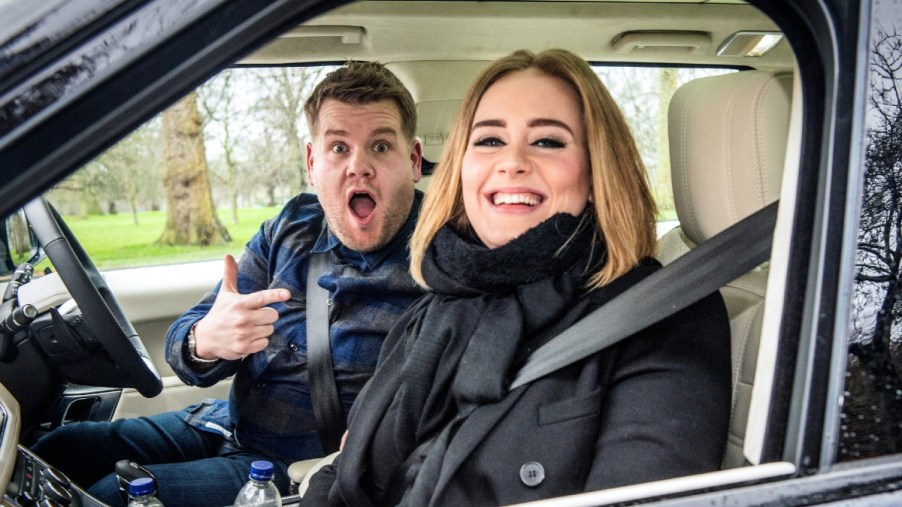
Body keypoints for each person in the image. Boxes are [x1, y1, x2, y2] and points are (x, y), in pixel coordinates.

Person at [300, 49, 732, 506]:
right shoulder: (436, 306)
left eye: (547, 141)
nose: (512, 162)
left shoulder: (662, 316)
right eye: (488, 141)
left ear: (596, 169)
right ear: (461, 168)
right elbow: (348, 480)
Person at [30, 61, 426, 506]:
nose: (359, 167)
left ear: (412, 160)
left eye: (380, 146)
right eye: (338, 148)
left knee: (114, 497)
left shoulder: (443, 262)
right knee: (59, 450)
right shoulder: (292, 225)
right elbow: (187, 338)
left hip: (300, 471)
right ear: (313, 163)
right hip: (225, 422)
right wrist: (207, 340)